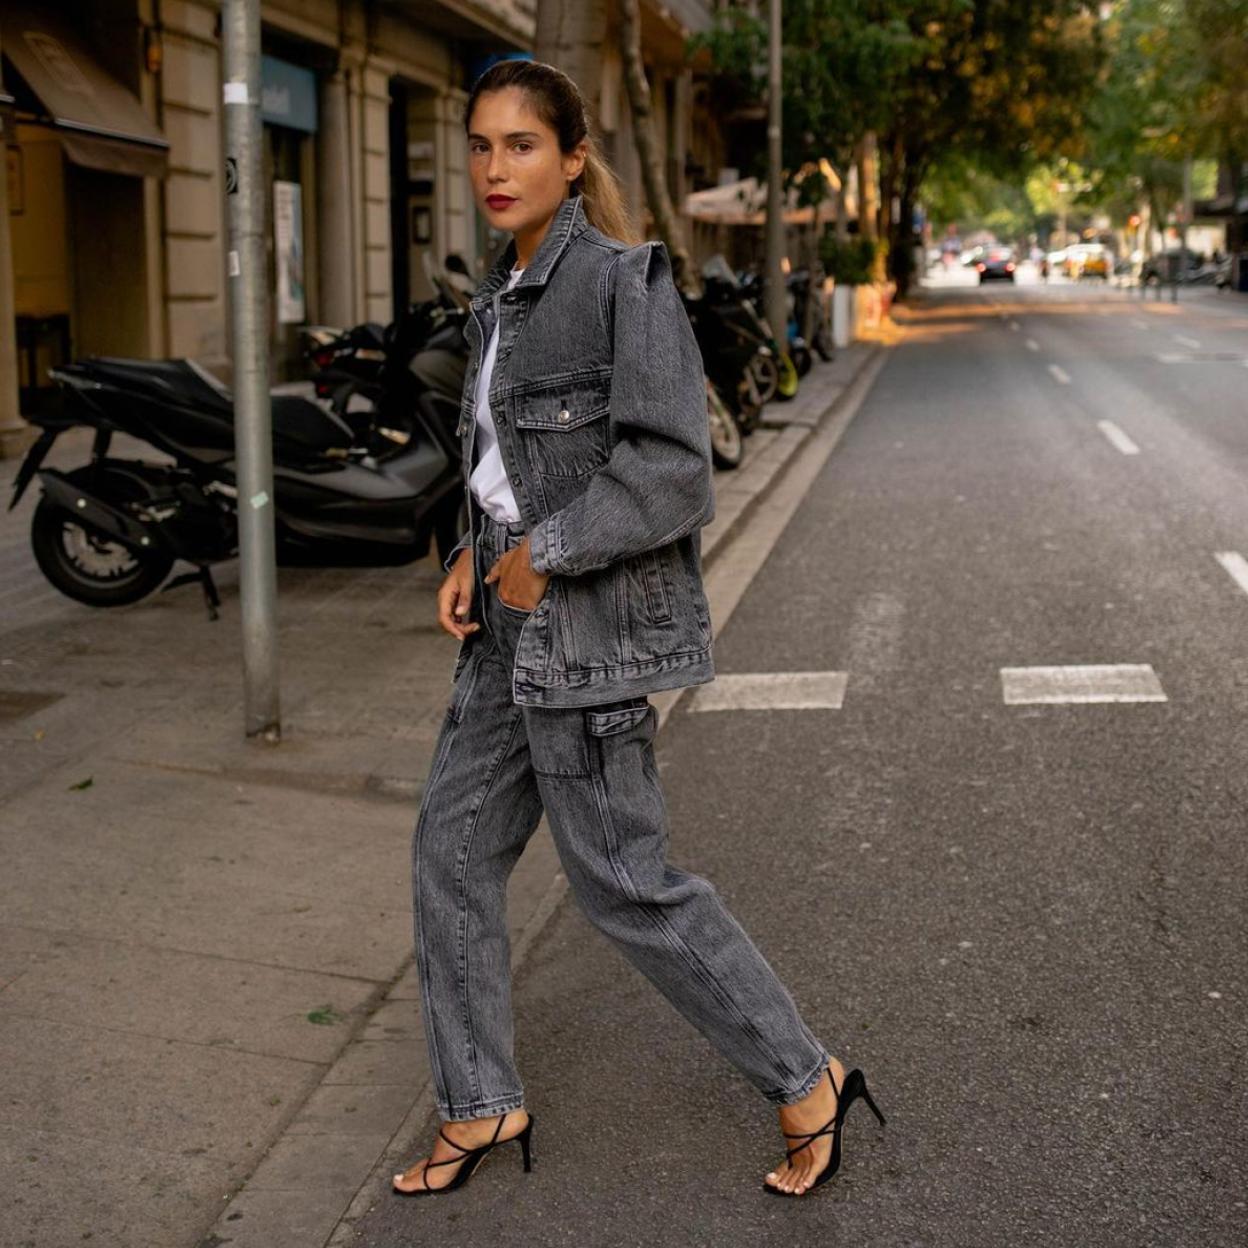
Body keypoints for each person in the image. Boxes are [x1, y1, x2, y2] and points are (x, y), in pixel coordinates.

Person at [392, 58, 883, 1202]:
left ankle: (809, 1079)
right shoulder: (496, 302)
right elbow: (512, 467)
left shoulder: (622, 281)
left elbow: (671, 471)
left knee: (625, 881)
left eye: (521, 145)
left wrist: (542, 556)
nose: (494, 166)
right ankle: (482, 1102)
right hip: (507, 632)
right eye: (480, 145)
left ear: (571, 160)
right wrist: (477, 548)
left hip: (587, 630)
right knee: (450, 854)